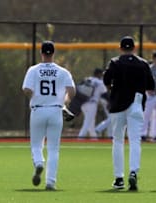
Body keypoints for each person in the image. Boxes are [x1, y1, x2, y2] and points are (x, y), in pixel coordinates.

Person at [22, 41, 75, 190]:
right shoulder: (63, 71)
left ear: (41, 53)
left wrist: (34, 96)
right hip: (56, 110)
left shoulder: (33, 70)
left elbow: (26, 89)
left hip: (38, 109)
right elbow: (71, 90)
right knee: (53, 148)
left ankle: (39, 163)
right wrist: (65, 101)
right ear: (53, 53)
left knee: (36, 145)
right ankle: (50, 182)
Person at [103, 36, 155, 191]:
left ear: (120, 48)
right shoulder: (143, 64)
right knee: (135, 140)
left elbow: (106, 80)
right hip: (136, 103)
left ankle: (119, 179)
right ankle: (133, 172)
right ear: (134, 48)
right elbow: (151, 86)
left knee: (118, 141)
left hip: (118, 104)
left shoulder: (115, 62)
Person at [141, 51, 156, 142]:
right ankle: (142, 134)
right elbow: (144, 80)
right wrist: (147, 89)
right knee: (146, 115)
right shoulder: (149, 68)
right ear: (154, 58)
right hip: (150, 95)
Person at [78, 68, 107, 139]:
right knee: (87, 122)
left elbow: (78, 88)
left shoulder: (87, 79)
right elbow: (105, 95)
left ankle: (94, 139)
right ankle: (80, 138)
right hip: (92, 104)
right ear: (99, 74)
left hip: (83, 103)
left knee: (91, 123)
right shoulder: (100, 82)